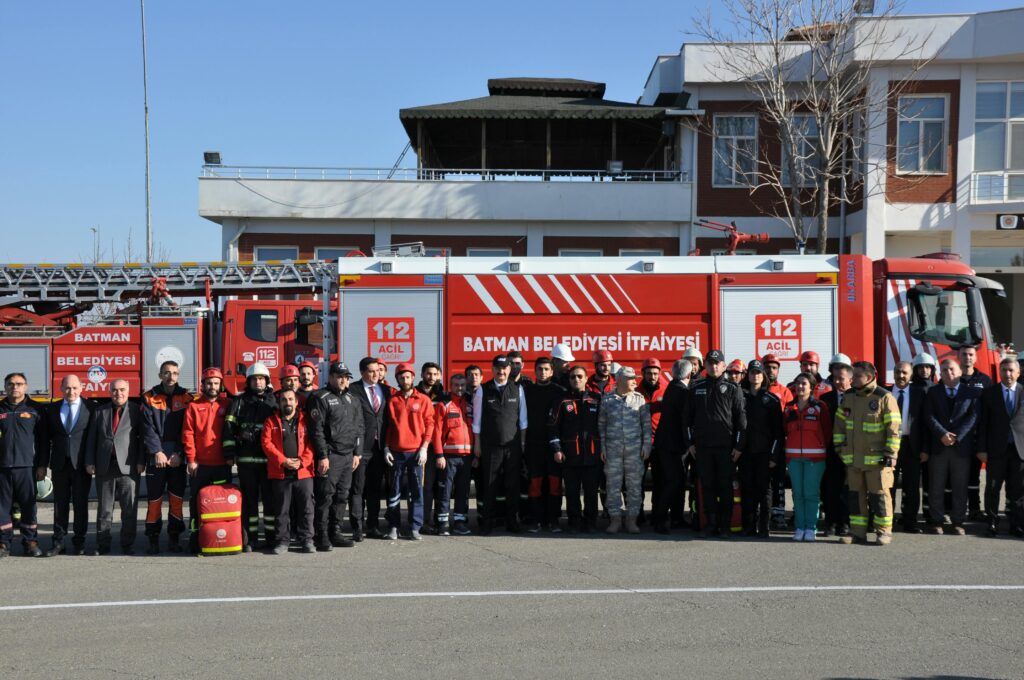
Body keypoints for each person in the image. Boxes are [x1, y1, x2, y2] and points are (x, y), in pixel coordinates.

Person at [835, 361, 901, 546]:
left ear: (870, 377)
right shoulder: (848, 397)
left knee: (879, 497)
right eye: (852, 375)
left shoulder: (884, 397)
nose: (852, 379)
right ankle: (858, 533)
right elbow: (839, 425)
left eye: (857, 376)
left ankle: (884, 532)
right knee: (855, 498)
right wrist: (840, 448)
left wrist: (891, 454)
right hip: (853, 460)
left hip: (877, 461)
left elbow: (894, 429)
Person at [688, 350, 747, 538]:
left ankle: (726, 526)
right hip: (703, 449)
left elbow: (741, 420)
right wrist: (690, 443)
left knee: (725, 487)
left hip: (726, 449)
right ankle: (711, 524)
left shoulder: (732, 388)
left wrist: (739, 446)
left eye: (717, 363)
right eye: (710, 363)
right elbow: (687, 419)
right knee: (707, 487)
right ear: (705, 365)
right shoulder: (696, 387)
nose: (714, 366)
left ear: (723, 366)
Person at [307, 361, 363, 550]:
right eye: (339, 376)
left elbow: (359, 428)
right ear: (330, 377)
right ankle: (321, 535)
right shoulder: (320, 397)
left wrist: (357, 453)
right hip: (330, 456)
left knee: (342, 496)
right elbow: (317, 431)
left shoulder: (353, 399)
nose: (343, 380)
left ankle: (335, 531)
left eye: (346, 377)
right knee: (325, 496)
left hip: (348, 456)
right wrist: (322, 455)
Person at [85, 379, 144, 555]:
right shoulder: (99, 411)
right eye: (115, 390)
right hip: (105, 466)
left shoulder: (137, 410)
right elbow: (92, 439)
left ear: (128, 390)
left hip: (129, 466)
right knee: (104, 510)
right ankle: (103, 544)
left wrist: (141, 461)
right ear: (109, 392)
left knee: (129, 509)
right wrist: (90, 461)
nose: (118, 393)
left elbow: (142, 438)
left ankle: (127, 544)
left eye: (122, 390)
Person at [922, 359, 980, 536]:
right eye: (945, 370)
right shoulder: (933, 392)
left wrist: (956, 437)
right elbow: (928, 415)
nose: (949, 373)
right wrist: (942, 434)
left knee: (960, 486)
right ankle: (937, 521)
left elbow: (973, 417)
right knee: (936, 486)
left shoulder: (972, 393)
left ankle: (958, 521)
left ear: (960, 372)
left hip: (961, 448)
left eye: (952, 369)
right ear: (940, 372)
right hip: (939, 446)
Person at [141, 360, 194, 554]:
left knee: (176, 499)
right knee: (154, 500)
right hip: (157, 458)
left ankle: (174, 538)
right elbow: (147, 428)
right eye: (166, 373)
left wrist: (179, 453)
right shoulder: (149, 397)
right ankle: (153, 539)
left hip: (177, 458)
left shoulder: (187, 398)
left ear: (178, 375)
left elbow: (188, 429)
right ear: (160, 375)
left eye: (174, 373)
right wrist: (157, 451)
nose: (170, 376)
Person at [225, 361, 278, 549]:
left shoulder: (275, 401)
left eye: (262, 379)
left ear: (267, 381)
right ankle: (251, 538)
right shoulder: (239, 402)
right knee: (249, 503)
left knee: (271, 502)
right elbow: (229, 428)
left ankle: (271, 538)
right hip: (246, 461)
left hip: (269, 462)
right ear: (249, 381)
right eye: (255, 379)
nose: (258, 382)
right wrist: (230, 453)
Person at [473, 355, 528, 534]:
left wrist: (522, 443)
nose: (501, 371)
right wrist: (478, 445)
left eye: (504, 367)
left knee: (513, 485)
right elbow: (477, 422)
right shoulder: (483, 390)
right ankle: (487, 522)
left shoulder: (517, 389)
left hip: (512, 447)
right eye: (498, 367)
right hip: (491, 447)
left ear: (509, 369)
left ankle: (512, 521)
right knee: (490, 484)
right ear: (492, 369)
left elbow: (523, 421)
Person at [182, 367, 234, 551]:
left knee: (221, 503)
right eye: (209, 383)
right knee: (197, 501)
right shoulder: (194, 407)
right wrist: (191, 459)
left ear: (221, 385)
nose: (212, 386)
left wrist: (231, 456)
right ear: (203, 385)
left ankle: (223, 537)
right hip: (200, 465)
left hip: (222, 464)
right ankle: (196, 537)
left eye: (216, 383)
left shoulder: (228, 404)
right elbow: (188, 434)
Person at [43, 374, 94, 556]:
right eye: (67, 388)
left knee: (81, 504)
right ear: (61, 389)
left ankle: (79, 542)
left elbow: (93, 438)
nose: (71, 391)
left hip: (81, 465)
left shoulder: (91, 408)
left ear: (81, 388)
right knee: (60, 504)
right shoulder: (51, 409)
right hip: (59, 464)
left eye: (74, 388)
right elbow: (44, 439)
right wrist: (42, 464)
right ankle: (58, 542)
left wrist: (91, 461)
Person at [549, 365, 603, 533]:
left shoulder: (597, 399)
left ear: (587, 379)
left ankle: (591, 522)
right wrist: (557, 449)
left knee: (591, 492)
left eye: (580, 376)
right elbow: (552, 427)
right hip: (570, 455)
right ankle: (574, 522)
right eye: (573, 377)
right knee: (572, 492)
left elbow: (606, 426)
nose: (576, 380)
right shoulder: (561, 400)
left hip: (593, 454)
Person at [598, 366, 652, 534]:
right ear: (619, 380)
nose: (634, 381)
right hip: (613, 451)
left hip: (634, 451)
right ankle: (615, 519)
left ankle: (631, 520)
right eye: (630, 378)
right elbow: (601, 426)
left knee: (634, 486)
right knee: (612, 485)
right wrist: (603, 447)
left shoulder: (639, 400)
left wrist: (646, 446)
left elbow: (646, 426)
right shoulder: (607, 400)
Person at [384, 363, 434, 540]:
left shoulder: (423, 400)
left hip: (416, 453)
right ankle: (393, 526)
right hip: (397, 452)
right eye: (401, 377)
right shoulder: (393, 400)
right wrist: (386, 447)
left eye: (408, 376)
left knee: (416, 491)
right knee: (394, 491)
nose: (405, 380)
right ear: (397, 379)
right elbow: (389, 426)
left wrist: (424, 448)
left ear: (413, 378)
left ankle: (415, 527)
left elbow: (430, 425)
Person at [262, 389, 316, 554]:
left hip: (303, 472)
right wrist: (283, 461)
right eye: (284, 400)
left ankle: (307, 540)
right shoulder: (271, 421)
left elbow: (312, 443)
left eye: (291, 399)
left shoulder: (306, 420)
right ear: (279, 402)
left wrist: (302, 462)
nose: (288, 402)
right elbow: (266, 444)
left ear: (296, 402)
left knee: (306, 508)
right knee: (281, 509)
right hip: (280, 472)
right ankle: (282, 541)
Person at [976, 356, 1024, 537]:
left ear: (1018, 373)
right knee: (993, 488)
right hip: (996, 450)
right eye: (1004, 370)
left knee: (1017, 490)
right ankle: (992, 522)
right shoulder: (989, 394)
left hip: (1019, 450)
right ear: (1000, 372)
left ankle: (1016, 524)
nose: (1008, 374)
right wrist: (981, 449)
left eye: (1012, 370)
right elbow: (983, 425)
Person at [0, 372, 46, 558]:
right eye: (10, 384)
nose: (15, 387)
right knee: (2, 506)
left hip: (27, 467)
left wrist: (42, 464)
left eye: (19, 383)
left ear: (26, 386)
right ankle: (3, 543)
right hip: (2, 467)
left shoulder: (36, 409)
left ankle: (30, 541)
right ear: (5, 386)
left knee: (28, 505)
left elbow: (43, 441)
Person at [784, 373, 832, 541]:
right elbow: (784, 431)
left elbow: (827, 432)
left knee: (811, 493)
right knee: (797, 494)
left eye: (804, 384)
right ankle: (799, 527)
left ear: (811, 387)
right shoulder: (789, 408)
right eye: (797, 384)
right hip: (794, 458)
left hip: (815, 458)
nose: (800, 387)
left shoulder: (820, 406)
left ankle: (811, 528)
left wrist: (818, 446)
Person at [523, 357, 566, 532]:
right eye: (540, 369)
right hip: (534, 446)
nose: (543, 372)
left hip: (554, 447)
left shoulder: (560, 391)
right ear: (535, 370)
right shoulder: (527, 391)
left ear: (552, 371)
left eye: (546, 369)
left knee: (555, 485)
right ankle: (536, 520)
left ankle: (554, 520)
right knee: (535, 485)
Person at [740, 360, 782, 538]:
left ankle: (764, 527)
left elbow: (778, 432)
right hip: (745, 453)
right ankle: (748, 527)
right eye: (752, 372)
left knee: (764, 491)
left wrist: (773, 456)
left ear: (763, 375)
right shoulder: (740, 397)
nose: (755, 375)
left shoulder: (771, 400)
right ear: (747, 375)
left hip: (765, 454)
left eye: (758, 372)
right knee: (747, 490)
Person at [349, 356, 389, 540]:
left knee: (374, 489)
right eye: (371, 371)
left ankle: (373, 525)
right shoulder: (353, 390)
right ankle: (357, 528)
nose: (375, 374)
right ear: (362, 372)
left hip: (379, 449)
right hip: (359, 448)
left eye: (378, 370)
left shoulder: (385, 390)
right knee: (357, 490)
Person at [651, 358, 692, 534]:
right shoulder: (682, 391)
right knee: (673, 481)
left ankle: (675, 518)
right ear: (689, 374)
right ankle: (660, 519)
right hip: (673, 445)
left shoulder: (672, 387)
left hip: (666, 443)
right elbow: (686, 420)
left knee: (675, 481)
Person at [889, 361, 927, 533]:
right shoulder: (884, 392)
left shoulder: (920, 393)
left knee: (911, 487)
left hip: (912, 445)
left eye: (904, 372)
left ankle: (910, 521)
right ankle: (887, 520)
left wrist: (925, 449)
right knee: (888, 484)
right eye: (897, 372)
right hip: (889, 445)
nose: (901, 376)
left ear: (911, 375)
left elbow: (926, 423)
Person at [433, 374, 473, 536]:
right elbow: (436, 432)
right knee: (445, 491)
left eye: (463, 385)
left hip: (467, 457)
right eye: (456, 385)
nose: (460, 388)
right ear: (451, 386)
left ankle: (459, 522)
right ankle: (443, 523)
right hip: (448, 457)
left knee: (463, 492)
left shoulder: (471, 404)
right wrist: (439, 455)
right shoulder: (444, 405)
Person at [959, 345, 993, 522]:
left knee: (974, 477)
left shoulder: (985, 381)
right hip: (957, 438)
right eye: (964, 354)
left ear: (976, 358)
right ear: (959, 357)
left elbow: (989, 410)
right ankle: (953, 509)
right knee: (954, 477)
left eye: (971, 354)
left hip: (977, 437)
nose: (967, 357)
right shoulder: (952, 378)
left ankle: (974, 509)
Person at [819, 363, 851, 537]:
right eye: (835, 378)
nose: (838, 381)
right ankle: (830, 523)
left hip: (852, 450)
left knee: (848, 489)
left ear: (850, 379)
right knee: (830, 488)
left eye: (842, 378)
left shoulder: (857, 397)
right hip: (831, 451)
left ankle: (845, 523)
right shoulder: (825, 399)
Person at [762, 352, 794, 531]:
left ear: (778, 370)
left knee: (779, 481)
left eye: (774, 367)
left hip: (779, 442)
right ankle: (764, 513)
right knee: (762, 481)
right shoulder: (758, 390)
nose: (770, 370)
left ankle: (779, 514)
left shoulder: (785, 392)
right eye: (767, 367)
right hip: (760, 443)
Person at [637, 358, 667, 526]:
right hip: (640, 444)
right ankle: (639, 514)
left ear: (660, 374)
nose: (652, 376)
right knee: (638, 481)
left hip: (659, 443)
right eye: (649, 373)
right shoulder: (635, 391)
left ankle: (657, 514)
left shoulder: (666, 389)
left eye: (655, 373)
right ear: (643, 374)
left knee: (659, 481)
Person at [416, 362, 444, 534]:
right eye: (428, 374)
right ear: (422, 375)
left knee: (439, 487)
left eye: (435, 374)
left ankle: (438, 520)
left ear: (439, 375)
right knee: (424, 487)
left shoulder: (444, 395)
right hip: (420, 446)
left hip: (439, 448)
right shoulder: (415, 394)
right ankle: (423, 521)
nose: (431, 377)